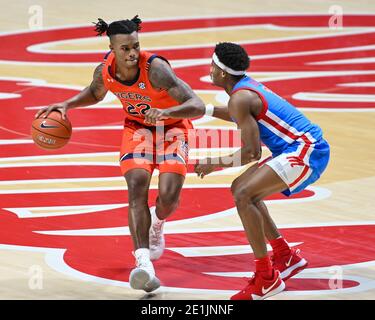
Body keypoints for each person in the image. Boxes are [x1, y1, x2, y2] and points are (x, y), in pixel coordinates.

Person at [35, 15, 205, 293]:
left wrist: (166, 112)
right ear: (112, 49)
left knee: (168, 196)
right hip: (137, 130)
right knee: (136, 186)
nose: (132, 53)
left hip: (173, 128)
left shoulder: (156, 69)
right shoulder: (104, 70)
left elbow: (196, 105)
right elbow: (95, 93)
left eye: (135, 46)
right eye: (125, 49)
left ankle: (158, 223)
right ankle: (143, 263)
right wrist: (67, 104)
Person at [194, 42, 330, 300]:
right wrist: (207, 109)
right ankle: (285, 256)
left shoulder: (239, 98)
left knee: (245, 194)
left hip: (307, 150)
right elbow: (239, 114)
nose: (209, 69)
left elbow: (252, 153)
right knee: (240, 189)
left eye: (212, 65)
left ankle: (266, 278)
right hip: (299, 147)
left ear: (222, 72)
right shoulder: (244, 90)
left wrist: (213, 162)